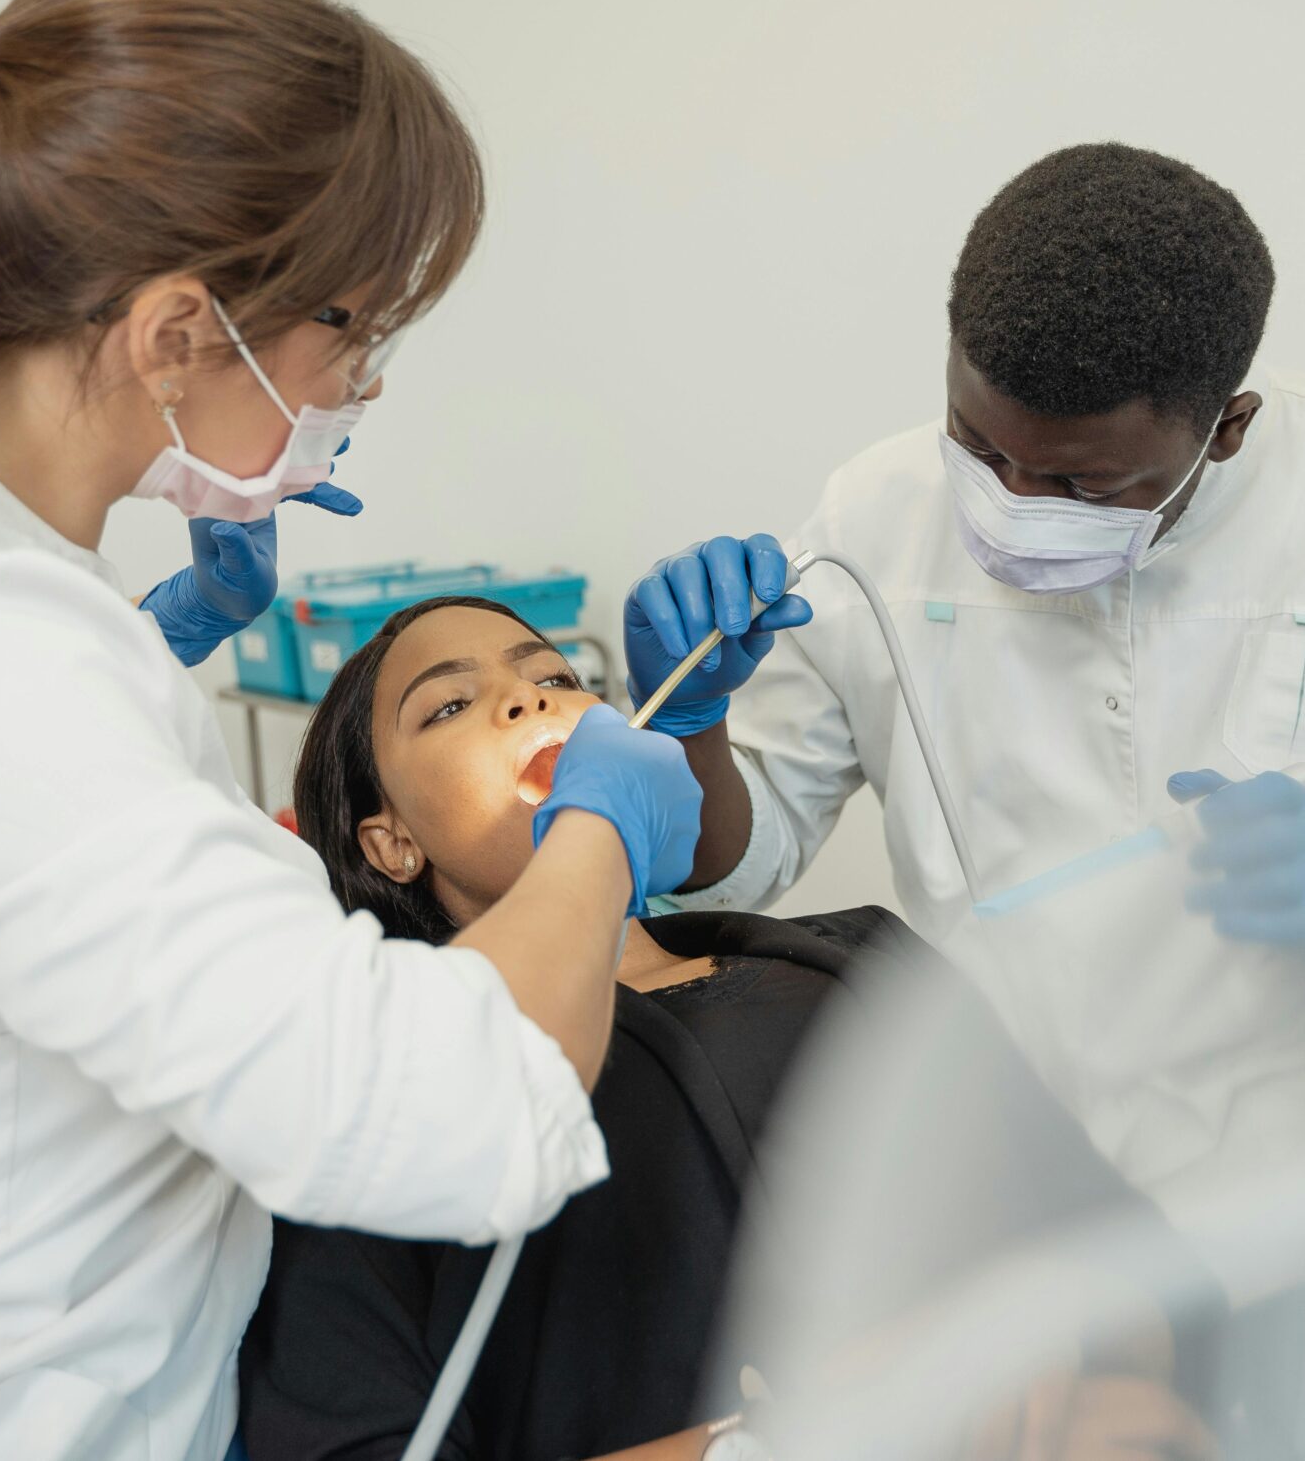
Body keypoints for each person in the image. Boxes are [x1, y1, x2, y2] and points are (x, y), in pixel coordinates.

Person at [0, 0, 705, 1461]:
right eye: (353, 332)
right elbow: (437, 1111)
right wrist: (601, 809)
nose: (355, 387)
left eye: (546, 680)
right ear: (177, 330)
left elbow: (24, 813)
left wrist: (163, 638)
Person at [624, 144, 1305, 1455]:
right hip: (1018, 1192)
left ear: (1227, 425)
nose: (1013, 503)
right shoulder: (878, 506)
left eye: (1083, 483)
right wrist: (692, 726)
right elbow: (742, 863)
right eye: (980, 443)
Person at [238, 597, 1223, 1461]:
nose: (529, 699)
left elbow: (1137, 1268)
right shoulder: (374, 1097)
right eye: (449, 706)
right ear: (391, 840)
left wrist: (1059, 1370)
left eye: (557, 677)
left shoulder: (858, 960)